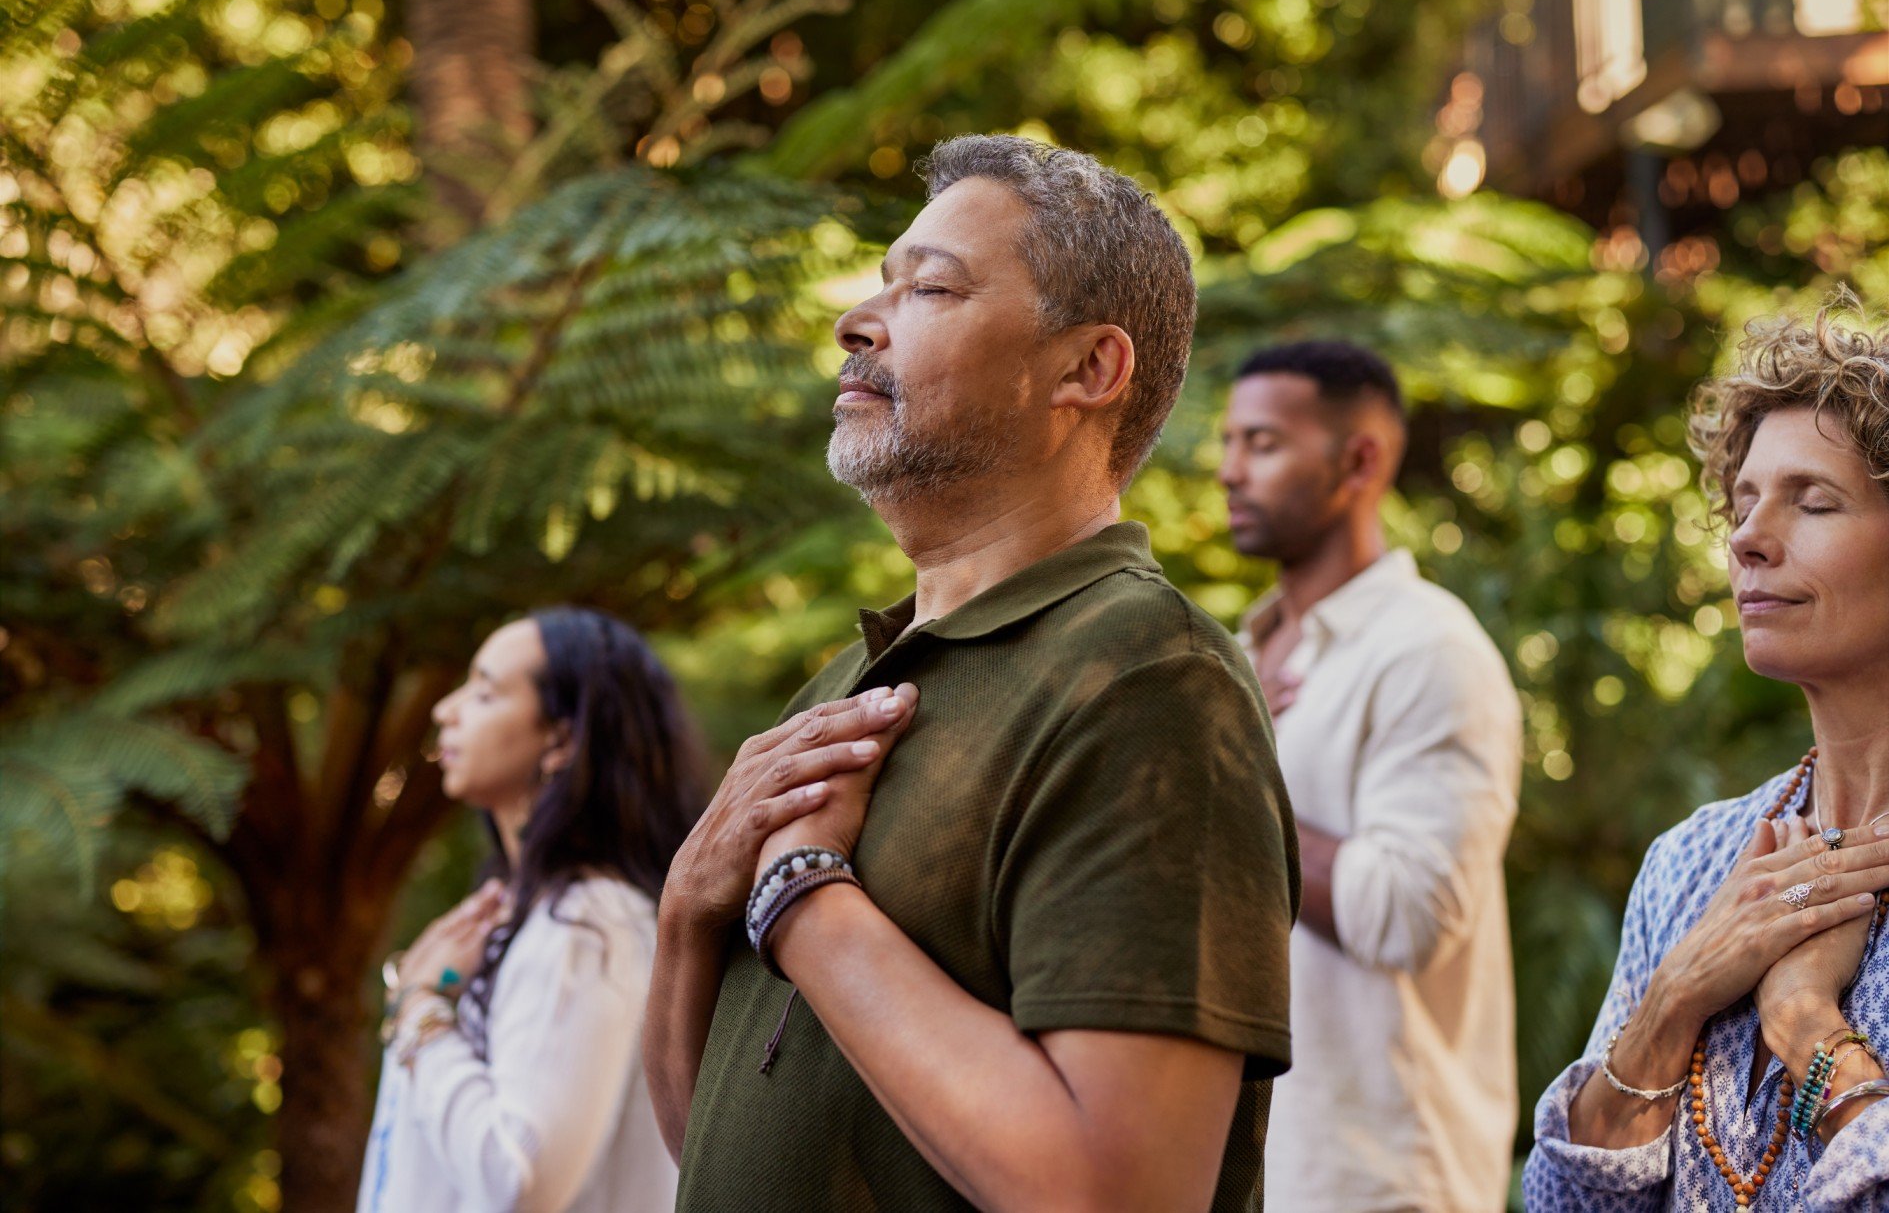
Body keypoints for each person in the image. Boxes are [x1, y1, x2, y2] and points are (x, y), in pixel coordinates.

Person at [642, 134, 1300, 1212]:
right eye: (878, 283)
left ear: (1087, 369)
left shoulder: (1146, 679)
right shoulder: (835, 690)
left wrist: (800, 896)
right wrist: (688, 906)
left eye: (931, 287)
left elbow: (1115, 1191)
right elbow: (707, 1140)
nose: (857, 321)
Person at [1523, 301, 1889, 1210]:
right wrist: (1671, 1001)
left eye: (1812, 502)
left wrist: (1803, 1022)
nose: (1747, 538)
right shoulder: (1693, 865)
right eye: (1742, 502)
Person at [1217, 340, 1522, 1211]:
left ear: (1359, 461)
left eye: (1264, 443)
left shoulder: (1428, 651)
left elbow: (1406, 913)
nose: (1230, 471)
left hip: (1379, 1180)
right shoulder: (1239, 658)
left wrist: (1230, 783)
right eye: (1230, 442)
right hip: (1243, 1170)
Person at [358, 606, 706, 1213]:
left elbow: (518, 1179)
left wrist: (421, 1010)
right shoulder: (524, 916)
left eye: (485, 692)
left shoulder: (588, 924)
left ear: (563, 737)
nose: (445, 710)